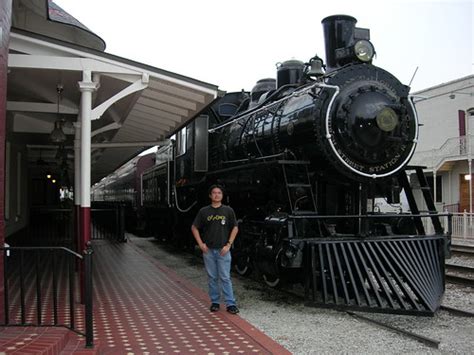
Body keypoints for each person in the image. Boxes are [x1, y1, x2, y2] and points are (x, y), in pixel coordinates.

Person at [191, 184, 239, 314]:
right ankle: (215, 302)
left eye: (219, 193)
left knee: (225, 277)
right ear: (210, 195)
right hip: (209, 250)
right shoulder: (204, 211)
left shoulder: (228, 211)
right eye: (214, 193)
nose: (217, 195)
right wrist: (201, 244)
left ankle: (230, 304)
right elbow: (194, 227)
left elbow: (235, 227)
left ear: (222, 196)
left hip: (223, 249)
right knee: (212, 277)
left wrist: (229, 244)